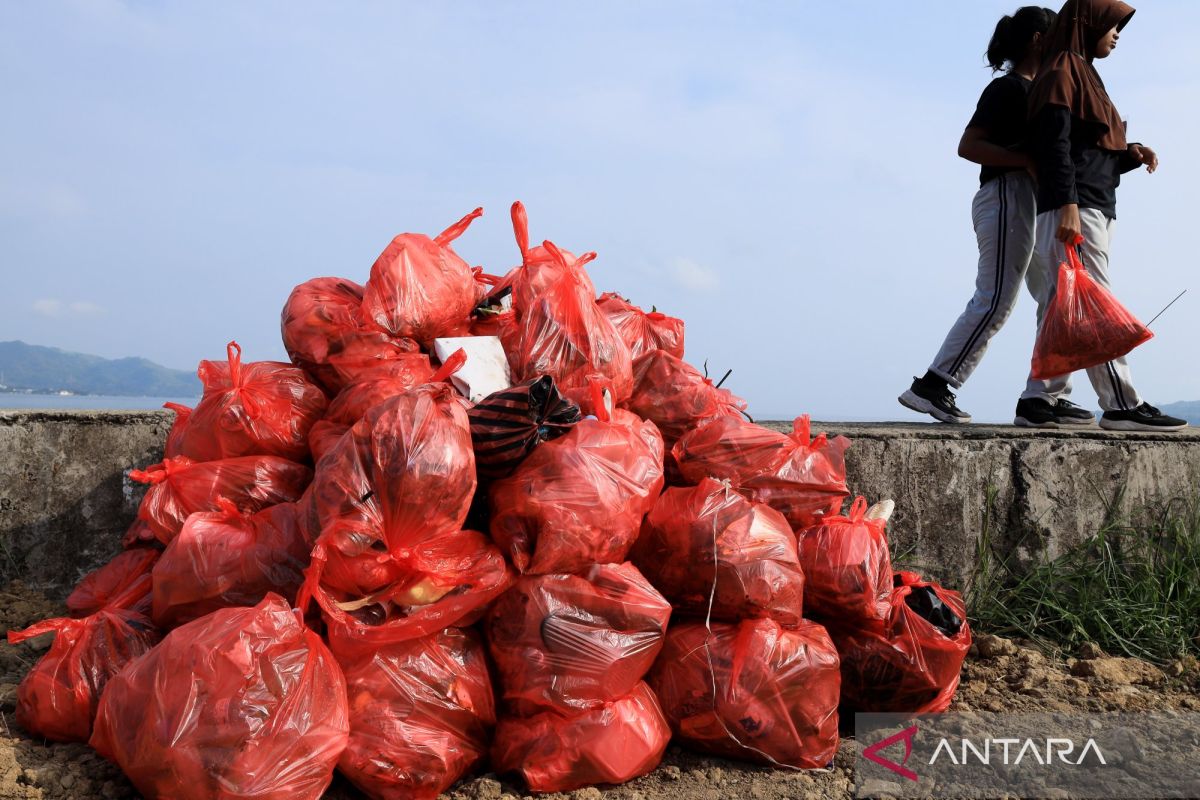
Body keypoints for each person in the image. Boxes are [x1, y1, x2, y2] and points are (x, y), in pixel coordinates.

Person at [1018, 0, 1186, 430]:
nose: (1116, 35)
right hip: (1075, 208)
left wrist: (1129, 154)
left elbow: (1085, 151)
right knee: (1095, 309)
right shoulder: (1062, 71)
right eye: (1111, 26)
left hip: (1084, 203)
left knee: (1068, 307)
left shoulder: (1079, 72)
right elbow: (1054, 147)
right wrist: (1069, 206)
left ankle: (1040, 400)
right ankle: (1121, 404)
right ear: (1086, 23)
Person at [900, 7, 1064, 424]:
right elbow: (968, 145)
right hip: (1006, 195)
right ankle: (934, 385)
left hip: (1029, 200)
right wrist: (1022, 158)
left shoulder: (1039, 90)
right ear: (1038, 40)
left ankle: (1044, 396)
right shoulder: (1008, 89)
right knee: (996, 299)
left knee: (1053, 296)